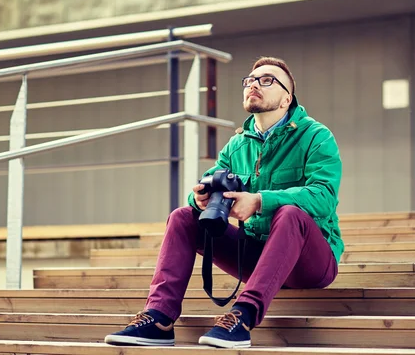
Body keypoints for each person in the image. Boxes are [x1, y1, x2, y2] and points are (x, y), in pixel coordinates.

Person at [104, 56, 343, 348]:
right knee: (182, 216)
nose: (254, 84)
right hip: (256, 254)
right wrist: (200, 196)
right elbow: (207, 182)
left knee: (290, 214)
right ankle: (159, 319)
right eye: (250, 80)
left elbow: (324, 197)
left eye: (267, 80)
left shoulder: (316, 136)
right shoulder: (237, 144)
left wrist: (259, 200)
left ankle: (242, 317)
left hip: (311, 262)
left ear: (286, 99)